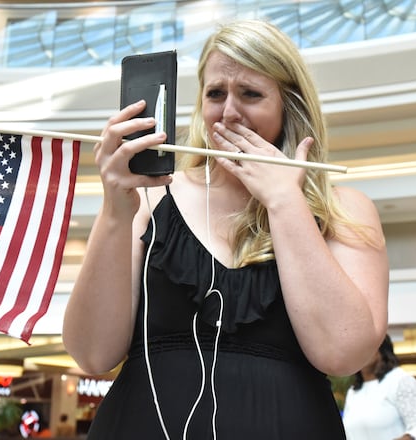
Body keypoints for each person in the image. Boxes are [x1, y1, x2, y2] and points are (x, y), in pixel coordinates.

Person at [62, 18, 389, 439]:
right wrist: (113, 211)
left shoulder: (343, 208)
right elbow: (92, 353)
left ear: (290, 103)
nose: (229, 111)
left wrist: (285, 202)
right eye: (216, 93)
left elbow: (343, 352)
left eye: (250, 94)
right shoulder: (151, 196)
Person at [342, 334, 416, 440]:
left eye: (365, 346)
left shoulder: (401, 381)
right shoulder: (354, 392)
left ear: (382, 349)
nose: (359, 353)